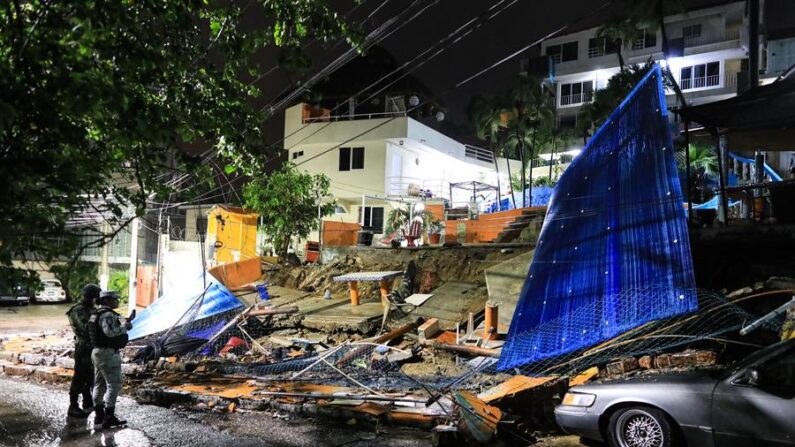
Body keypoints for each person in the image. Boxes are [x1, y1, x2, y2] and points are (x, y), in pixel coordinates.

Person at [88, 290, 132, 428]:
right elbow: (110, 333)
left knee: (99, 384)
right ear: (106, 300)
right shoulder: (107, 315)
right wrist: (124, 327)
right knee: (114, 384)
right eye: (115, 299)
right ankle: (109, 417)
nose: (117, 301)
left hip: (96, 352)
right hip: (107, 353)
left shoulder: (95, 314)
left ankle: (99, 416)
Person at [65, 284, 100, 418]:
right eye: (95, 297)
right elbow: (86, 328)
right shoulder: (77, 310)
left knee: (91, 375)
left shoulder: (92, 309)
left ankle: (88, 401)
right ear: (90, 296)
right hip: (83, 348)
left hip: (93, 346)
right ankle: (73, 406)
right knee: (79, 376)